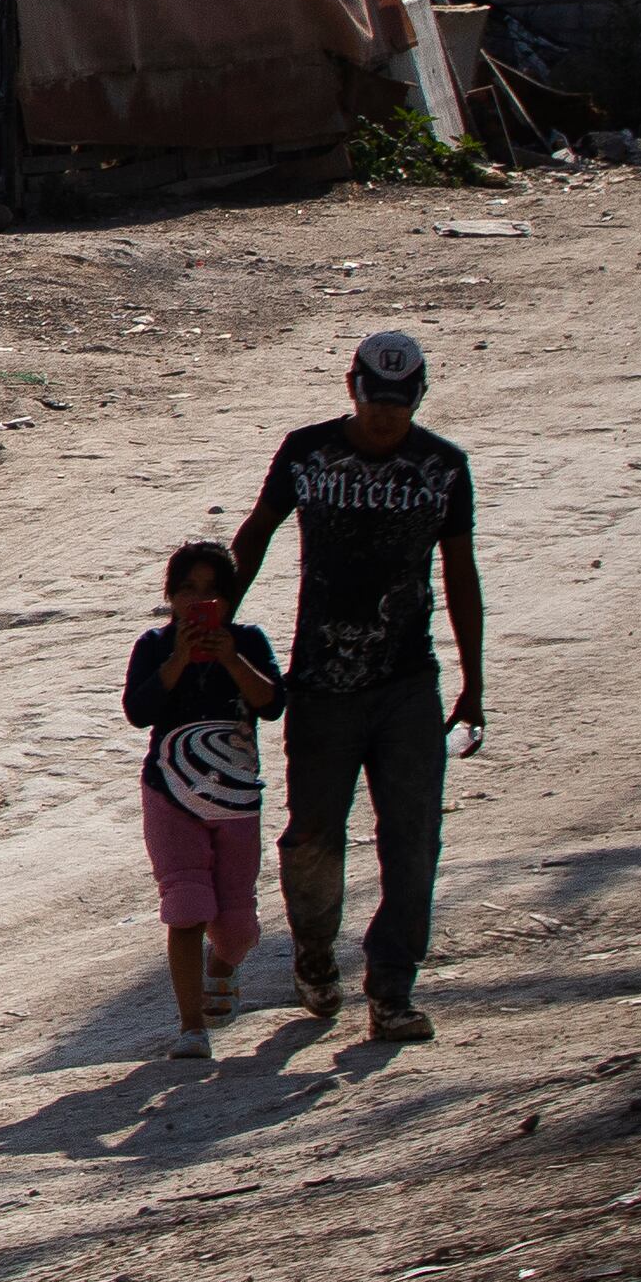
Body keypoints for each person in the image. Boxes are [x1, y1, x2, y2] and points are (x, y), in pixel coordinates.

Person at [225, 328, 485, 1044]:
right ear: (354, 389)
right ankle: (314, 955)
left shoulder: (444, 468)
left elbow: (460, 575)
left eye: (399, 407)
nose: (385, 419)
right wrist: (214, 623)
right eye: (377, 403)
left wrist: (474, 680)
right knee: (312, 834)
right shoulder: (307, 453)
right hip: (319, 684)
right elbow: (256, 533)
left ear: (418, 398)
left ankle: (392, 985)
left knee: (413, 838)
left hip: (408, 682)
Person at [124, 538, 284, 1059]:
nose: (199, 601)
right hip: (169, 795)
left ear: (231, 599)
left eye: (212, 593)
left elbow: (271, 703)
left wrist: (231, 661)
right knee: (186, 904)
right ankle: (191, 1027)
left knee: (237, 925)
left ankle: (223, 967)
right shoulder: (153, 645)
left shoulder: (249, 642)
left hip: (235, 799)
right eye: (188, 591)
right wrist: (177, 660)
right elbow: (139, 711)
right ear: (170, 595)